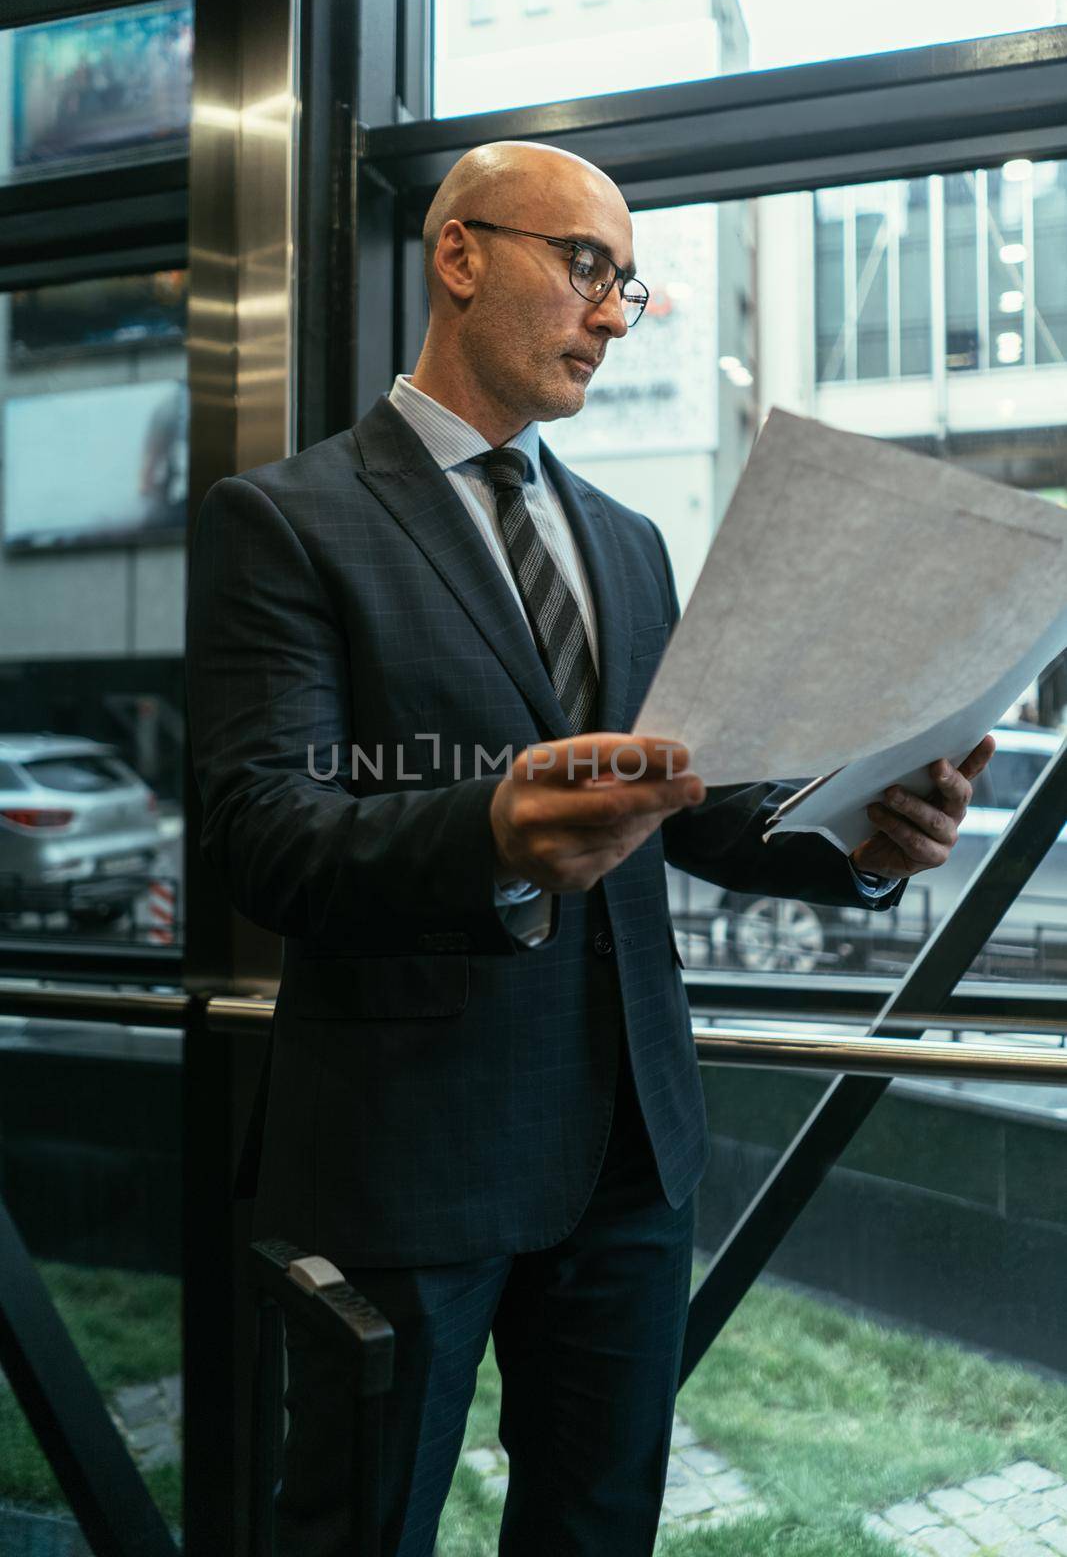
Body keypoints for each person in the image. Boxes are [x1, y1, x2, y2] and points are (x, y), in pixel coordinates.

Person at [185, 140, 992, 1557]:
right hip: (409, 1156)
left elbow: (697, 805)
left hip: (630, 1155)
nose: (616, 315)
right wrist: (493, 831)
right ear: (459, 256)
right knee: (353, 1534)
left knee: (597, 1531)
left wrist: (859, 838)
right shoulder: (288, 523)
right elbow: (267, 839)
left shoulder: (626, 543)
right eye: (588, 268)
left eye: (628, 283)